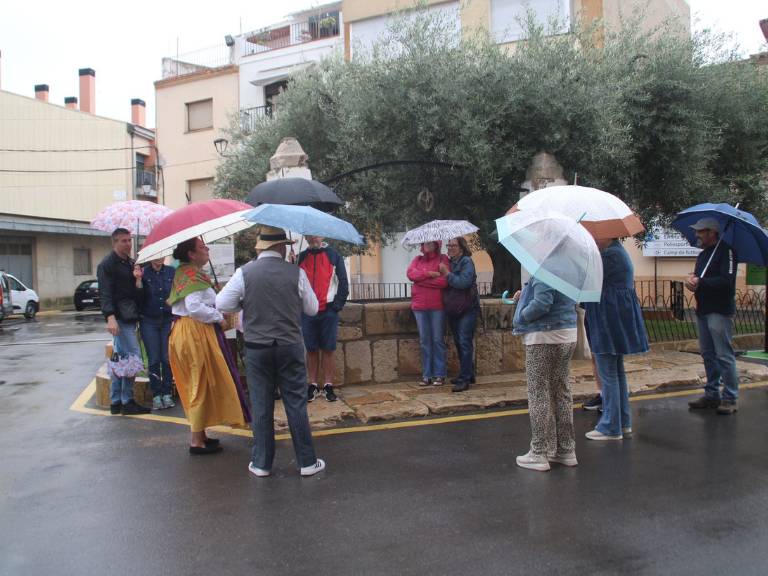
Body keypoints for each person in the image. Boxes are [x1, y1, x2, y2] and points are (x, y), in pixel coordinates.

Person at [216, 226, 325, 478]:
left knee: (262, 405)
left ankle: (262, 463)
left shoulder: (245, 273)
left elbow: (222, 303)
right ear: (281, 247)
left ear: (262, 247)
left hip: (257, 348)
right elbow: (312, 309)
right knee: (296, 403)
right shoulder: (296, 272)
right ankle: (307, 462)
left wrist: (245, 302)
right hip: (289, 345)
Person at [167, 238, 248, 455]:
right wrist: (217, 316)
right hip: (195, 332)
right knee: (200, 381)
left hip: (186, 331)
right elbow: (194, 307)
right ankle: (196, 440)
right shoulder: (192, 275)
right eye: (203, 248)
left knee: (197, 380)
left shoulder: (187, 273)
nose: (207, 250)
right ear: (192, 254)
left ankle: (200, 433)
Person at [584, 238, 649, 440]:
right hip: (614, 318)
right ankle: (623, 421)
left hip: (607, 319)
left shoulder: (609, 256)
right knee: (616, 372)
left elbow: (587, 281)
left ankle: (611, 426)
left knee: (608, 373)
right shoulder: (618, 253)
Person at [511, 277, 578, 471]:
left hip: (543, 336)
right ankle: (566, 449)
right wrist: (525, 295)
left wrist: (522, 314)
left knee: (538, 392)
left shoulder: (545, 267)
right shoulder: (568, 266)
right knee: (561, 391)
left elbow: (542, 302)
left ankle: (539, 452)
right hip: (567, 333)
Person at [685, 217, 740, 415]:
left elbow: (727, 281)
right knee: (708, 355)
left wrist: (701, 282)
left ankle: (730, 397)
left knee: (724, 355)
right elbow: (700, 280)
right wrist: (691, 282)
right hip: (703, 309)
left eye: (700, 231)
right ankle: (711, 394)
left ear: (712, 233)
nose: (697, 235)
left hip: (719, 310)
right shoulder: (704, 255)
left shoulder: (727, 252)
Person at [97, 227, 149, 416]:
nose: (127, 243)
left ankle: (116, 401)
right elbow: (104, 293)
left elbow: (137, 294)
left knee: (121, 360)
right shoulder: (107, 264)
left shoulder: (131, 263)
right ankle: (127, 400)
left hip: (130, 316)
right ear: (114, 242)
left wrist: (137, 280)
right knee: (133, 358)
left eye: (129, 240)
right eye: (123, 241)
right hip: (119, 319)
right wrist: (110, 318)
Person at [298, 235, 349, 403]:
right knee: (311, 348)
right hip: (308, 309)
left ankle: (328, 384)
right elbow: (295, 281)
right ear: (305, 238)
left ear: (322, 236)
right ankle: (312, 384)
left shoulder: (334, 255)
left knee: (328, 348)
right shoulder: (301, 257)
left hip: (328, 309)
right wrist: (292, 264)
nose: (312, 238)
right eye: (309, 236)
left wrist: (336, 306)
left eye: (315, 235)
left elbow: (343, 282)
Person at [407, 241, 450, 386]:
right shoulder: (417, 260)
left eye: (430, 242)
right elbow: (411, 274)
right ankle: (427, 375)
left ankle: (439, 374)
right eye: (424, 242)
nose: (426, 244)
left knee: (437, 339)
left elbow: (443, 282)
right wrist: (429, 274)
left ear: (436, 244)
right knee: (425, 340)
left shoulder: (443, 259)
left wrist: (421, 281)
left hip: (437, 306)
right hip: (419, 306)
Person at [440, 237, 479, 392]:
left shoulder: (466, 262)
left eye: (453, 245)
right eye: (448, 245)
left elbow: (463, 282)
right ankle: (468, 373)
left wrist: (447, 274)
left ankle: (464, 379)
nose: (449, 247)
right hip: (454, 307)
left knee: (464, 341)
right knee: (459, 341)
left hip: (467, 308)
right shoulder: (451, 262)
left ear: (461, 248)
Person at [138, 258, 176, 411]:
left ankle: (167, 393)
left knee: (167, 358)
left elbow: (178, 291)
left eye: (162, 255)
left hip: (167, 320)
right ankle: (156, 395)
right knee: (153, 358)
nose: (159, 258)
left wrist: (172, 300)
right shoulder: (143, 273)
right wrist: (138, 281)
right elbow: (138, 297)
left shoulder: (171, 272)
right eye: (156, 255)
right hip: (148, 321)